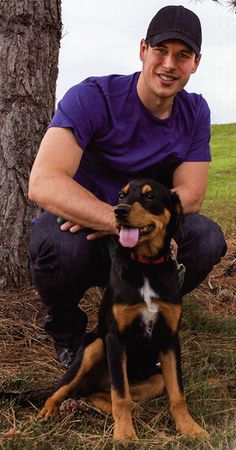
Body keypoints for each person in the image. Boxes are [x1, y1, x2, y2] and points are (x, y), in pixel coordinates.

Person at [28, 5, 227, 368]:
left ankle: (146, 321)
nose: (169, 64)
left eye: (182, 55)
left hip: (142, 229)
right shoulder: (93, 96)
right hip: (83, 227)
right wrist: (110, 218)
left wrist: (150, 224)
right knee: (55, 244)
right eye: (160, 50)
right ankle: (69, 335)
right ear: (142, 50)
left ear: (195, 63)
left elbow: (191, 193)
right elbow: (44, 182)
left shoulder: (195, 111)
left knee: (208, 238)